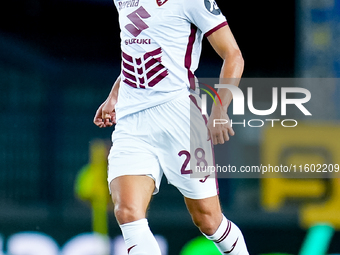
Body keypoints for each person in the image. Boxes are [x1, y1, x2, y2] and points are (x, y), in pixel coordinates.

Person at [93, 0, 249, 254]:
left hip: (181, 117)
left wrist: (220, 109)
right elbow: (138, 49)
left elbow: (233, 55)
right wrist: (114, 95)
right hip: (132, 120)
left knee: (208, 221)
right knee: (127, 212)